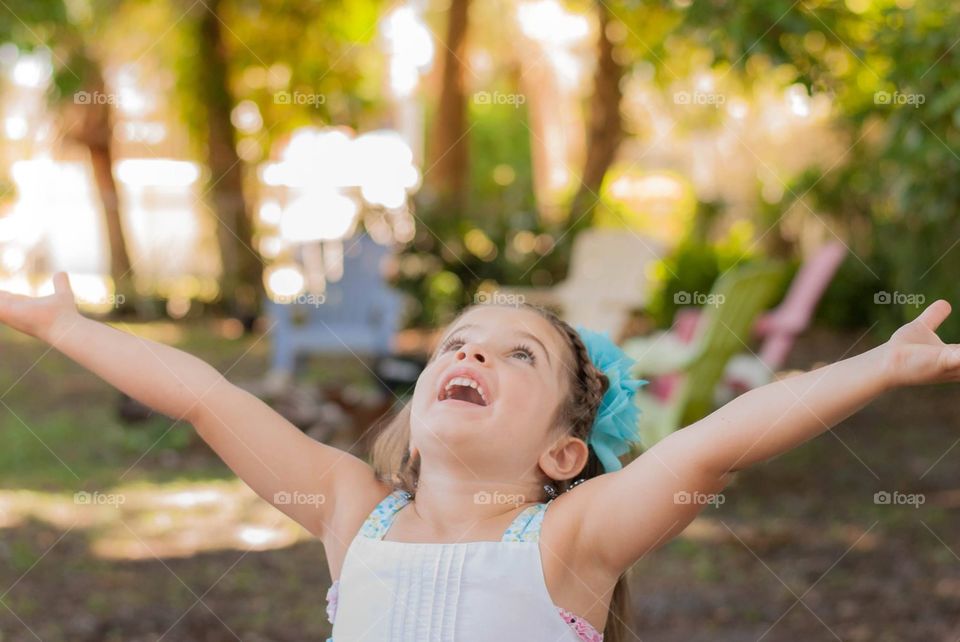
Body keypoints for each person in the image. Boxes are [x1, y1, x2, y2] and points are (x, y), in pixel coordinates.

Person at [1, 272, 958, 641]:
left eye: (516, 355)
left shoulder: (571, 539)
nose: (470, 355)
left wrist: (875, 367)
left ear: (563, 451)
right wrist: (64, 324)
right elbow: (207, 396)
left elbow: (716, 447)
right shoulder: (350, 509)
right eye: (458, 343)